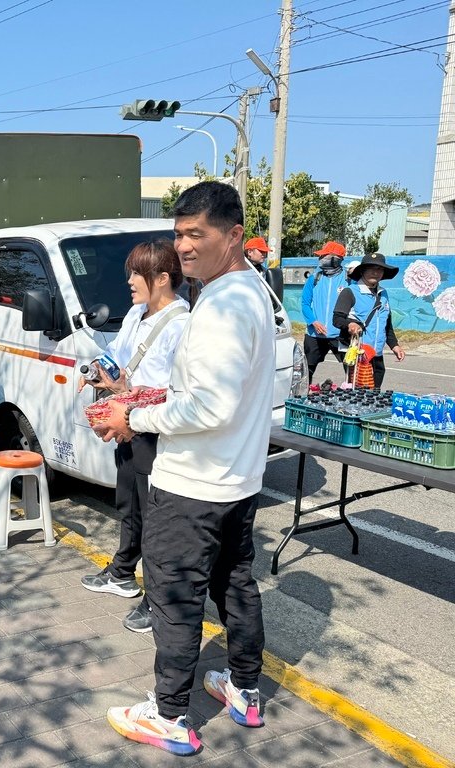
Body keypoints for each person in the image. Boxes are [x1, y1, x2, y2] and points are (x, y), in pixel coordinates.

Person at [96, 181, 274, 756]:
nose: (185, 247)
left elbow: (209, 405)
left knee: (175, 599)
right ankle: (244, 688)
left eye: (197, 234)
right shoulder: (249, 292)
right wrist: (142, 401)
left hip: (193, 485)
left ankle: (170, 715)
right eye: (179, 233)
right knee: (235, 586)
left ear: (233, 236)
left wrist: (134, 417)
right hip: (236, 481)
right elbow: (207, 393)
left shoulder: (222, 306)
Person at [79, 241, 189, 636]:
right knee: (129, 502)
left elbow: (176, 388)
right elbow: (119, 358)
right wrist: (97, 371)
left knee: (158, 517)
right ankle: (124, 570)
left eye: (135, 274)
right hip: (126, 417)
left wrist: (131, 387)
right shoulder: (136, 315)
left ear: (162, 278)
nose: (128, 281)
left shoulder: (182, 323)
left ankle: (156, 600)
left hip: (154, 428)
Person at [332, 252, 405, 389]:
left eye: (379, 269)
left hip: (377, 354)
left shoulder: (383, 294)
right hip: (358, 354)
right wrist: (350, 324)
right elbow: (337, 319)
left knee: (375, 393)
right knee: (358, 394)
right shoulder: (350, 292)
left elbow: (386, 325)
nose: (375, 273)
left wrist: (394, 345)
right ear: (363, 271)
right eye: (371, 268)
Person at [301, 240, 349, 381]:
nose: (320, 259)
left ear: (335, 259)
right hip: (314, 334)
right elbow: (305, 303)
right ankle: (304, 396)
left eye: (324, 256)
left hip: (340, 334)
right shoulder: (314, 278)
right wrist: (313, 321)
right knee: (306, 371)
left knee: (351, 371)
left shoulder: (348, 279)